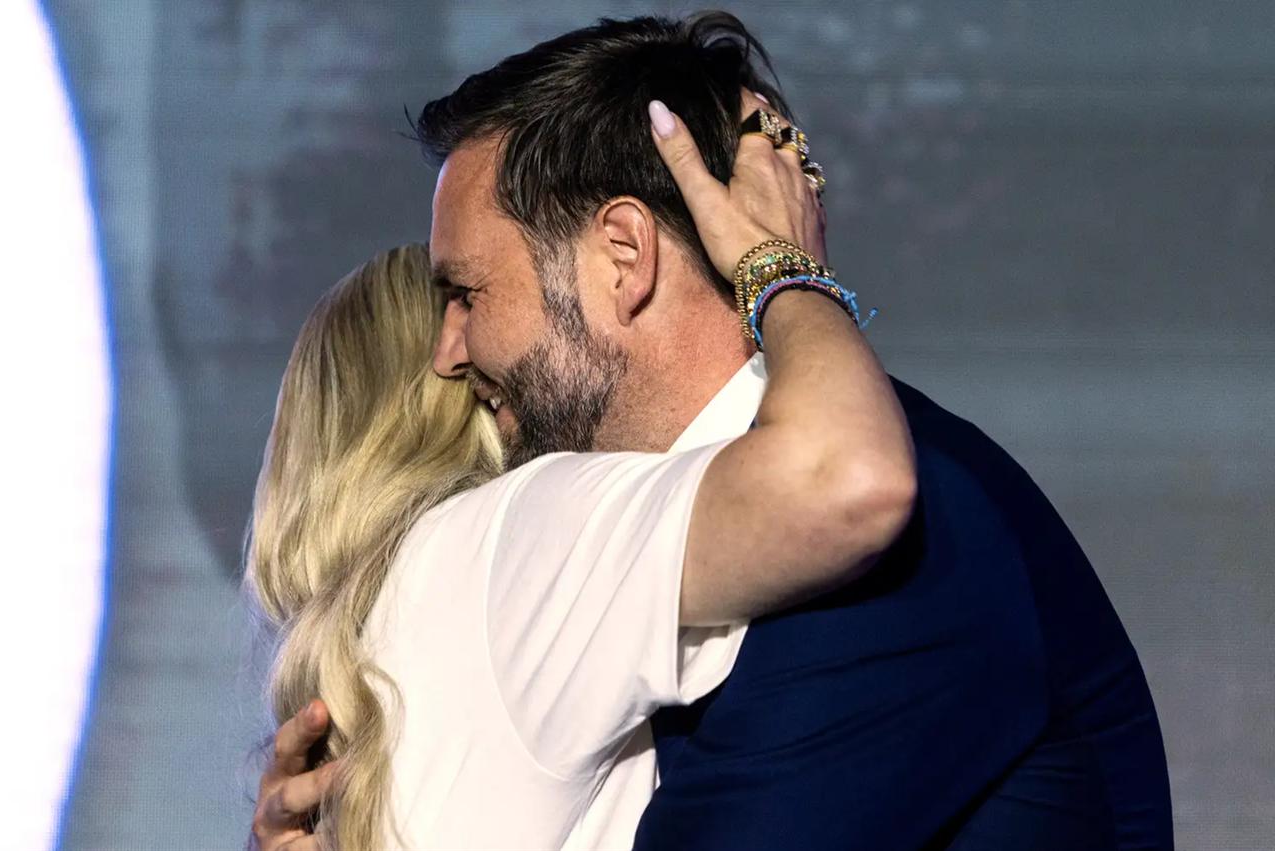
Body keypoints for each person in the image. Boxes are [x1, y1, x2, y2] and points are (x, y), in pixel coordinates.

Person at [253, 12, 1174, 850]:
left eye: (467, 294)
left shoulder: (902, 543)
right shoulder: (678, 546)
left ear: (624, 258)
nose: (448, 351)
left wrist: (781, 271)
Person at [245, 93, 916, 849]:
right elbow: (845, 476)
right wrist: (781, 263)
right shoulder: (512, 538)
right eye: (455, 302)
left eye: (470, 298)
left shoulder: (380, 640)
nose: (455, 349)